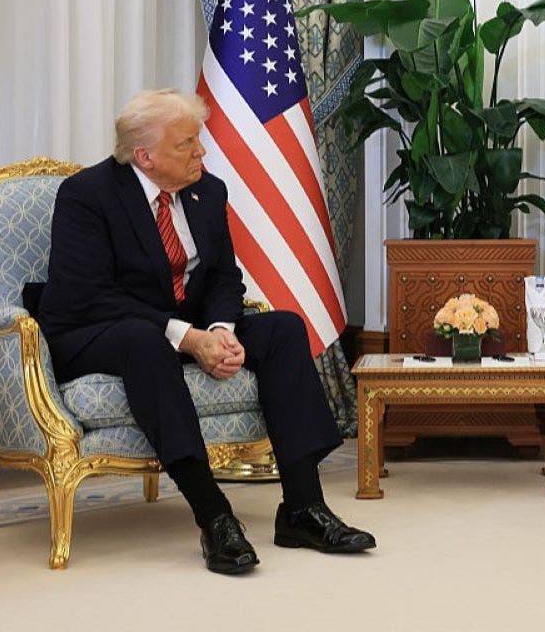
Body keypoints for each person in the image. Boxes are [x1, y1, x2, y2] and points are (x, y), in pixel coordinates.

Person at [38, 89, 375, 575]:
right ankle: (215, 517)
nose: (201, 151)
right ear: (144, 156)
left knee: (283, 329)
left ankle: (303, 508)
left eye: (197, 140)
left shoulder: (207, 191)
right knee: (143, 339)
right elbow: (92, 295)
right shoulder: (87, 195)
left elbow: (223, 277)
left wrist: (220, 330)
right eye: (186, 144)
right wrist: (189, 337)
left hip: (182, 326)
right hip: (95, 330)